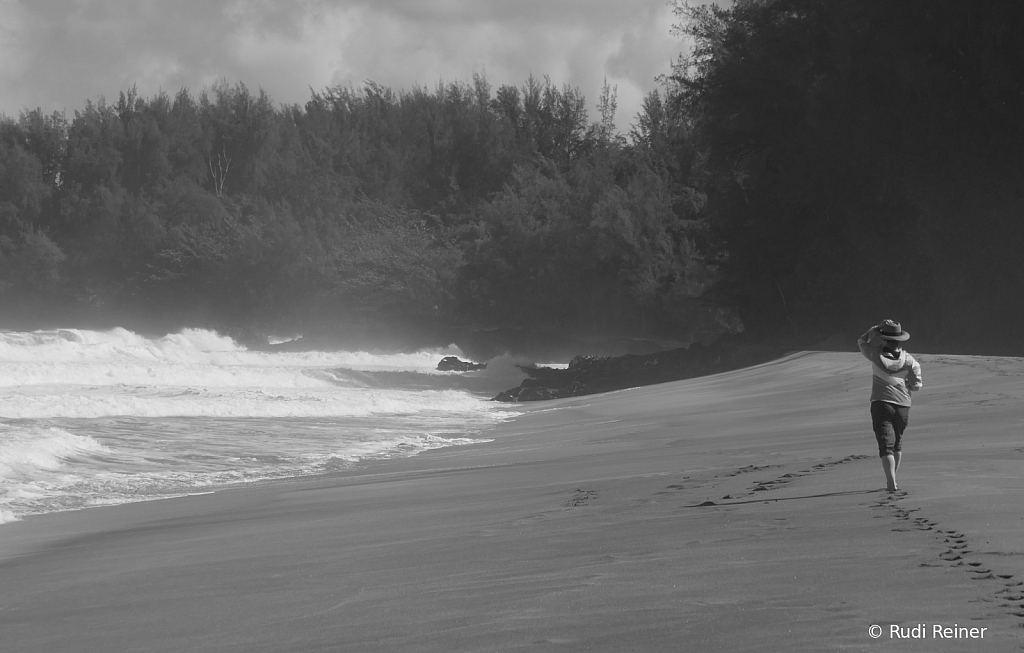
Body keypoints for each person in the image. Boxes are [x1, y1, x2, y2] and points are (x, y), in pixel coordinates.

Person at [857, 320, 923, 492]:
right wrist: (907, 384)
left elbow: (861, 341)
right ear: (899, 340)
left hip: (881, 402)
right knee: (897, 444)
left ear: (884, 340)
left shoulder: (875, 354)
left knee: (885, 445)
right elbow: (916, 386)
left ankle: (891, 483)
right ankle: (892, 479)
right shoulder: (910, 361)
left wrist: (874, 329)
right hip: (903, 405)